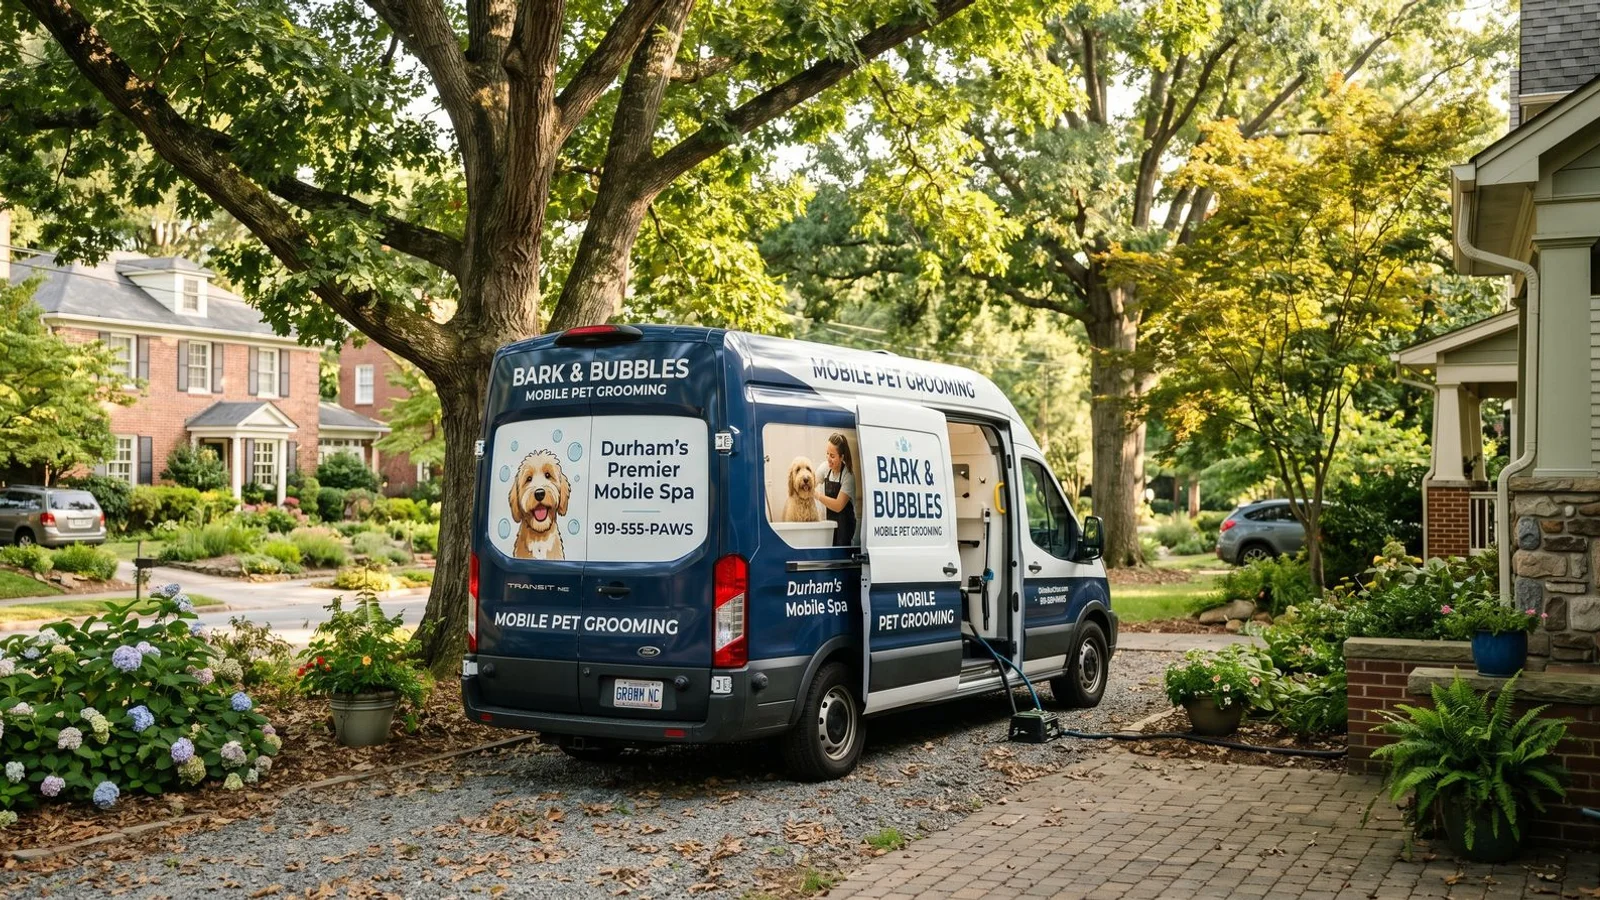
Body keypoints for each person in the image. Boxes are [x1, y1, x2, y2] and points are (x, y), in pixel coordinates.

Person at [815, 432, 857, 547]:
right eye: (827, 454)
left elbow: (838, 506)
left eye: (832, 456)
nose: (828, 459)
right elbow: (811, 482)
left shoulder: (848, 476)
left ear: (842, 457)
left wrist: (817, 496)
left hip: (846, 529)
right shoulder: (825, 468)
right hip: (832, 527)